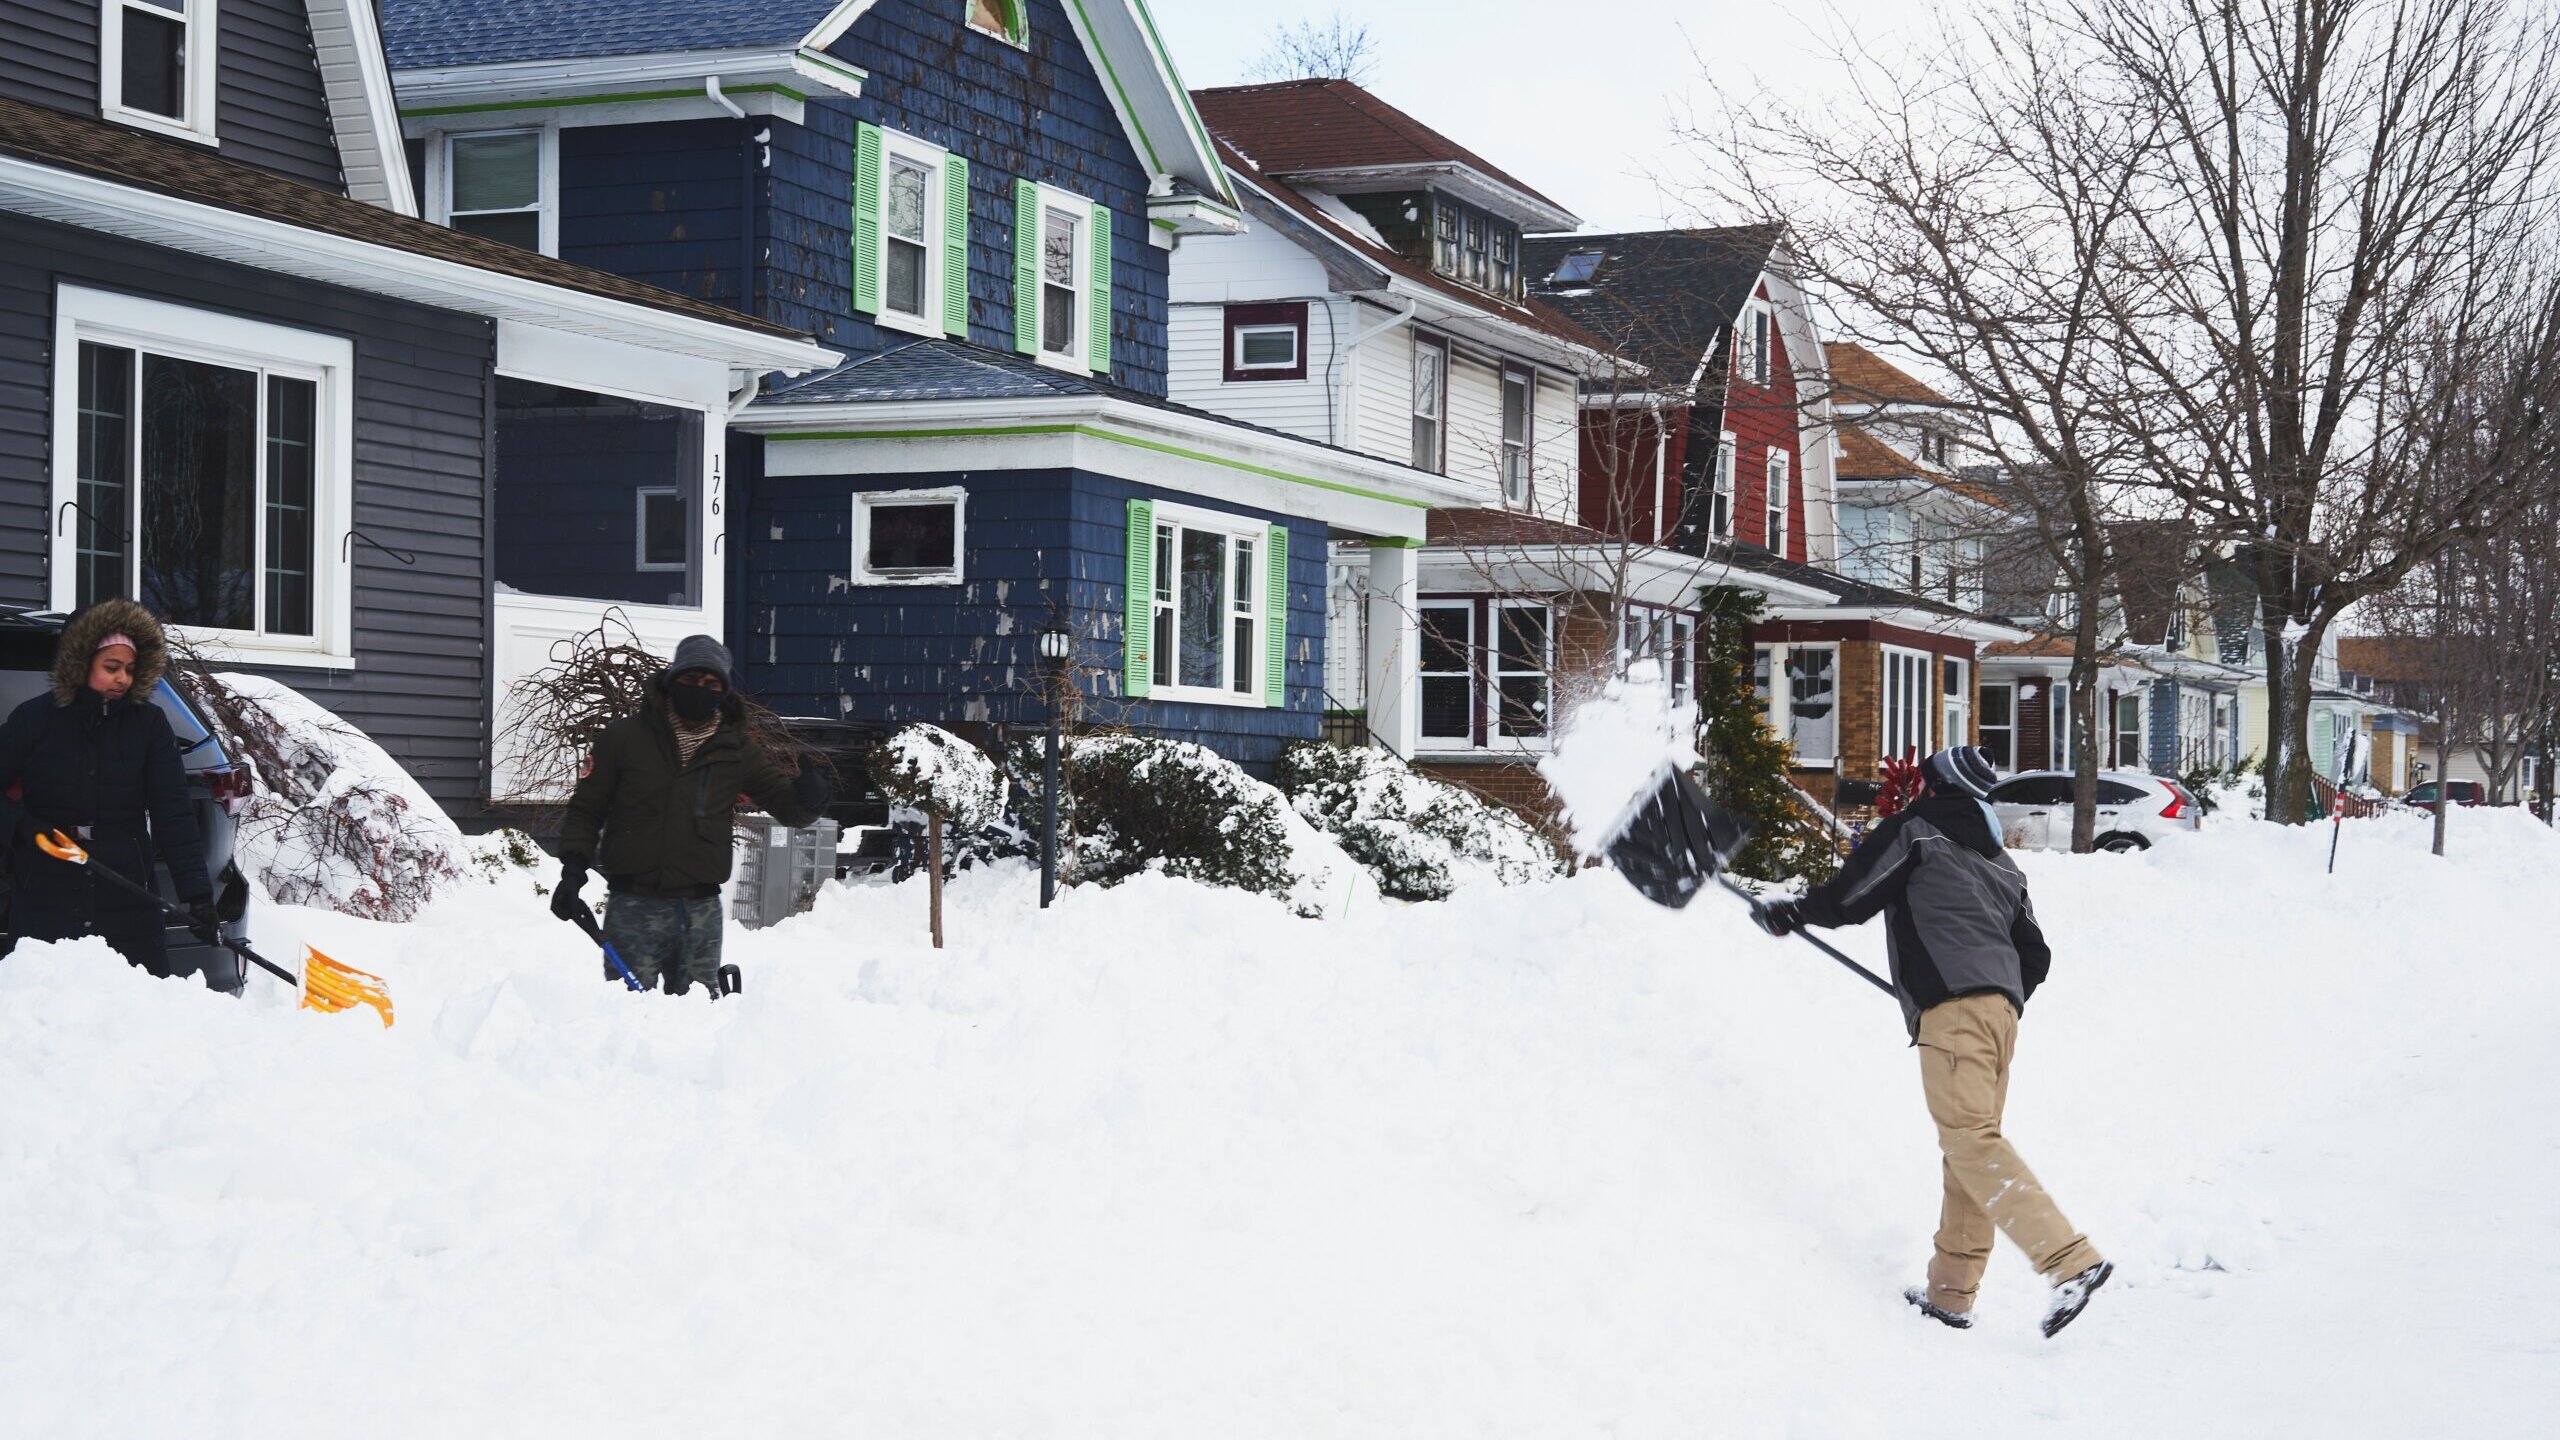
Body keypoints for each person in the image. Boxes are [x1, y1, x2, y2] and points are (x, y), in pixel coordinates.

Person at [1753, 744, 2112, 1337]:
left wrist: (1793, 911)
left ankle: (2069, 1261)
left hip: (1959, 1017)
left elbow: (1849, 899)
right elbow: (2036, 956)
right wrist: (1992, 990)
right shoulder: (2003, 865)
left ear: (1934, 786)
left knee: (1971, 1142)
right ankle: (1951, 1295)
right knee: (1970, 1148)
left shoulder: (1916, 831)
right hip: (2001, 1018)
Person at [552, 635, 829, 996]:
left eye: (712, 683)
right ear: (672, 681)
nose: (700, 689)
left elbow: (786, 806)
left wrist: (810, 798)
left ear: (723, 692)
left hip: (700, 912)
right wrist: (573, 870)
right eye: (691, 679)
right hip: (633, 907)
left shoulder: (736, 750)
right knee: (628, 1014)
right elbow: (586, 808)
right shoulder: (623, 738)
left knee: (699, 1017)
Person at [0, 600, 217, 982]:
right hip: (45, 892)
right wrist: (22, 828)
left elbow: (173, 812)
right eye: (111, 667)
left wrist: (197, 896)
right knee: (48, 1004)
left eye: (130, 669)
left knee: (135, 1003)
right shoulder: (32, 720)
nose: (123, 679)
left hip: (127, 895)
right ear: (80, 662)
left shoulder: (149, 725)